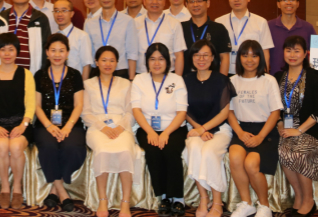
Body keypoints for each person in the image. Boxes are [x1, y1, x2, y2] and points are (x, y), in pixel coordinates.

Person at [275, 36, 318, 217]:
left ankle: (309, 200)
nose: (292, 55)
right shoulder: (277, 77)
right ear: (283, 52)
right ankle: (299, 196)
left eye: (297, 51)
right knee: (283, 152)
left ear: (305, 54)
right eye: (288, 50)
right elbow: (275, 107)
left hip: (312, 128)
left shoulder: (315, 77)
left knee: (298, 153)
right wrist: (280, 124)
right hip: (288, 126)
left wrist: (299, 130)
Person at [82, 46, 140, 217]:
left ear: (117, 63)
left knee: (126, 151)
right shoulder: (87, 84)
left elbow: (131, 111)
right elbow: (86, 113)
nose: (108, 64)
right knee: (102, 150)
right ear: (96, 62)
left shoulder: (126, 84)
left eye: (112, 60)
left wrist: (120, 127)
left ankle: (125, 202)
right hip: (97, 127)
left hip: (122, 126)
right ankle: (103, 200)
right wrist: (103, 128)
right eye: (104, 60)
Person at [132, 43, 189, 217]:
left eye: (161, 59)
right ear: (147, 62)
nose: (157, 63)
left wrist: (166, 133)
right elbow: (136, 110)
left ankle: (178, 198)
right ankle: (163, 197)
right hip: (146, 128)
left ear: (168, 61)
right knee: (153, 151)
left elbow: (182, 112)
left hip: (174, 128)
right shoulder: (139, 80)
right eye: (152, 59)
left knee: (171, 150)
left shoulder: (176, 80)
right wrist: (150, 132)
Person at [227, 40, 283, 217]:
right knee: (235, 157)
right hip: (242, 129)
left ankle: (264, 206)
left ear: (261, 58)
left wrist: (260, 137)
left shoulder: (269, 80)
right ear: (239, 58)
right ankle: (246, 203)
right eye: (245, 55)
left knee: (251, 164)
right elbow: (229, 112)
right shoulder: (232, 81)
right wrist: (240, 132)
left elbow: (275, 113)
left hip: (265, 130)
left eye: (254, 55)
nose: (249, 60)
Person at [183, 39, 236, 217]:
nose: (201, 59)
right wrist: (199, 129)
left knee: (208, 152)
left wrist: (204, 129)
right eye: (197, 55)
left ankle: (218, 202)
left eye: (206, 55)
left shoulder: (222, 80)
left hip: (219, 129)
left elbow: (224, 112)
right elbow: (183, 110)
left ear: (213, 57)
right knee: (194, 148)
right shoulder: (186, 80)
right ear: (192, 57)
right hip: (195, 128)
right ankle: (204, 199)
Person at [33, 34, 86, 212]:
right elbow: (36, 106)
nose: (57, 54)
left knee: (73, 148)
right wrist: (49, 126)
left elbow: (79, 105)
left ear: (67, 53)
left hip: (71, 124)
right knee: (49, 147)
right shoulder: (39, 75)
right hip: (45, 125)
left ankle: (54, 190)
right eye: (53, 50)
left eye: (61, 50)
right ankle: (63, 192)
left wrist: (68, 126)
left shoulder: (75, 75)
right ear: (47, 53)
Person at [0, 33, 36, 209]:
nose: (7, 54)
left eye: (11, 49)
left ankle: (18, 188)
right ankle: (5, 188)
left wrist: (23, 125)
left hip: (21, 124)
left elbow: (31, 105)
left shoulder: (26, 74)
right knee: (1, 146)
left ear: (17, 51)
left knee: (15, 146)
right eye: (3, 49)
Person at [0, 0, 51, 72]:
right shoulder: (1, 18)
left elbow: (46, 49)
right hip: (4, 73)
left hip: (32, 74)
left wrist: (43, 74)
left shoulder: (41, 18)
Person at [84, 0, 139, 79]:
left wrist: (131, 80)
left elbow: (132, 54)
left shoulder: (128, 21)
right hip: (97, 73)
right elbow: (87, 55)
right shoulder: (89, 23)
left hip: (120, 72)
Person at [216, 0, 275, 75]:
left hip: (252, 73)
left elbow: (265, 52)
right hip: (226, 73)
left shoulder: (261, 22)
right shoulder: (219, 22)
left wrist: (263, 76)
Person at [134, 0, 187, 76]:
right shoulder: (135, 23)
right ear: (144, 0)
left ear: (164, 1)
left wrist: (177, 80)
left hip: (167, 74)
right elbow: (131, 54)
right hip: (141, 74)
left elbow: (179, 55)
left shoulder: (174, 23)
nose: (154, 2)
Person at [268, 0, 317, 76]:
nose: (289, 3)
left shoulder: (308, 27)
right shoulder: (268, 26)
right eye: (284, 0)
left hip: (301, 79)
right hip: (274, 78)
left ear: (298, 4)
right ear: (278, 4)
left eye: (292, 0)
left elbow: (316, 54)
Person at [182, 0, 231, 76]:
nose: (195, 4)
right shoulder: (180, 28)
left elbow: (224, 58)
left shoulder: (219, 28)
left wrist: (222, 80)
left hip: (212, 80)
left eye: (199, 1)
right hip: (185, 79)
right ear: (186, 5)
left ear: (208, 3)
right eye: (191, 1)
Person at [53, 0, 93, 77]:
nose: (59, 14)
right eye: (56, 11)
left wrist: (83, 84)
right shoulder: (52, 36)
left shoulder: (82, 36)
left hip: (75, 82)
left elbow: (86, 65)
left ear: (72, 14)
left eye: (64, 10)